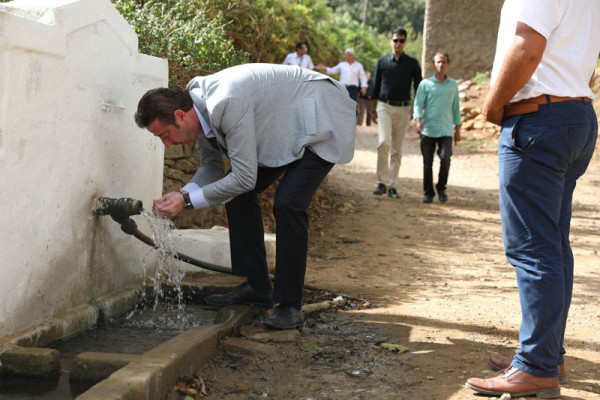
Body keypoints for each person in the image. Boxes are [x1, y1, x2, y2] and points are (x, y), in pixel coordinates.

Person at [134, 63, 356, 330]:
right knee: (237, 196)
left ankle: (290, 305)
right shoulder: (196, 108)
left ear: (180, 116)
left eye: (165, 135)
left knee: (288, 203)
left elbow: (244, 178)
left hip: (321, 115)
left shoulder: (225, 103)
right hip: (284, 127)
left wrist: (187, 201)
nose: (168, 144)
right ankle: (258, 286)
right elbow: (212, 167)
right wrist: (183, 193)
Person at [466, 1, 599, 398]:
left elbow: (527, 49)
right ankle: (547, 355)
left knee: (534, 248)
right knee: (553, 242)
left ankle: (537, 366)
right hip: (574, 116)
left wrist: (493, 106)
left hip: (538, 120)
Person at [371, 27, 422, 199]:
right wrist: (373, 109)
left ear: (405, 42)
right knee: (383, 142)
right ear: (390, 41)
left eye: (401, 40)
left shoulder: (412, 63)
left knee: (397, 148)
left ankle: (392, 185)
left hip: (403, 107)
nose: (398, 43)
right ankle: (381, 183)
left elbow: (418, 87)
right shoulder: (382, 62)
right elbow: (376, 86)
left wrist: (415, 110)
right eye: (395, 40)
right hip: (384, 106)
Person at [413, 52, 461, 204]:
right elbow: (418, 104)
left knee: (445, 159)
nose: (441, 64)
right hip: (428, 129)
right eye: (438, 62)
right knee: (427, 163)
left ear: (448, 64)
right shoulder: (425, 84)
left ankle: (441, 188)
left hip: (446, 129)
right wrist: (418, 121)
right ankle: (428, 192)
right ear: (434, 64)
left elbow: (456, 108)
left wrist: (458, 130)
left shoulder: (453, 85)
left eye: (444, 62)